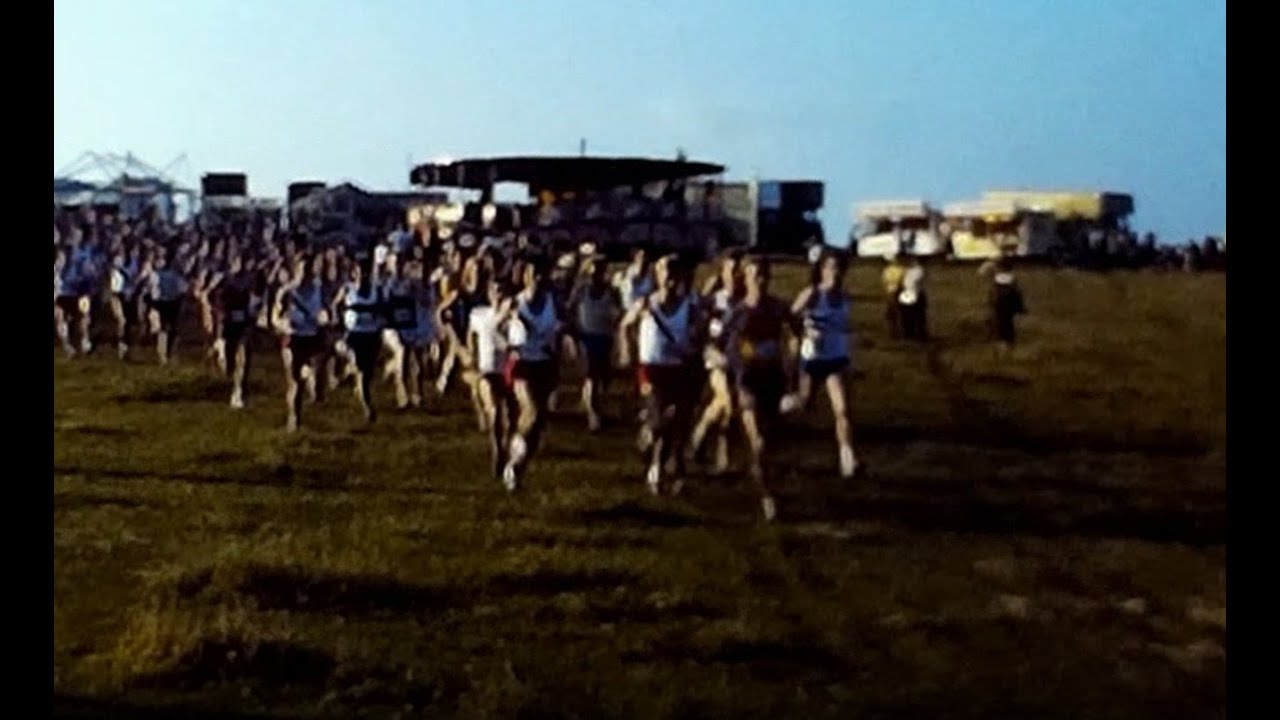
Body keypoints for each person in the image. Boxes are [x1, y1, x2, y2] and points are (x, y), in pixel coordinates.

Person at [618, 255, 702, 496]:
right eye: (665, 271)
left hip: (677, 369)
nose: (670, 278)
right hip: (651, 369)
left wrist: (695, 345)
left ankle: (656, 467)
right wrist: (626, 350)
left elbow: (701, 334)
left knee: (673, 419)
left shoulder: (689, 307)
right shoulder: (645, 304)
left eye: (674, 272)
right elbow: (624, 325)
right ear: (657, 275)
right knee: (660, 418)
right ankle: (649, 434)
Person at [726, 255, 799, 521]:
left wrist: (794, 351)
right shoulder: (737, 313)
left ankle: (762, 473)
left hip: (774, 379)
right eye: (755, 275)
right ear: (745, 279)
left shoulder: (778, 308)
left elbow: (796, 330)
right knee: (758, 438)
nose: (760, 280)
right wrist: (738, 378)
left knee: (771, 440)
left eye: (764, 275)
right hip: (747, 381)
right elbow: (728, 346)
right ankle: (768, 497)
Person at [779, 249, 860, 479]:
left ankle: (847, 459)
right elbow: (789, 317)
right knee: (804, 403)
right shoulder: (812, 294)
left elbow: (843, 326)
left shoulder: (844, 297)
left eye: (837, 268)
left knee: (842, 410)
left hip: (836, 360)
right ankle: (779, 406)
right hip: (813, 359)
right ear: (821, 270)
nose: (833, 273)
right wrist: (804, 332)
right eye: (829, 267)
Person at [499, 256, 562, 491]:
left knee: (537, 423)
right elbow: (496, 326)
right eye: (532, 274)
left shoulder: (552, 301)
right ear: (524, 277)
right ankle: (515, 456)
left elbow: (562, 325)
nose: (536, 278)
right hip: (522, 363)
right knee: (531, 411)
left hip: (545, 363)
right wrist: (508, 343)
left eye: (540, 274)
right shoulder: (514, 303)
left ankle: (517, 462)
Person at [687, 249, 744, 475]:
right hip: (715, 357)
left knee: (721, 404)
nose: (737, 274)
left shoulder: (746, 299)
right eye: (732, 268)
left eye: (740, 269)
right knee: (729, 402)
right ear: (724, 271)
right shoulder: (714, 298)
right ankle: (723, 454)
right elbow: (700, 325)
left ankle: (701, 431)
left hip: (738, 359)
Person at [273, 257, 329, 431]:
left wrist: (325, 317)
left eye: (309, 270)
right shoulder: (287, 292)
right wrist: (283, 324)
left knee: (316, 374)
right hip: (293, 338)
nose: (305, 275)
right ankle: (294, 418)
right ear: (295, 271)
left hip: (312, 336)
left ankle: (310, 380)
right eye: (302, 270)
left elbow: (326, 311)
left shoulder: (319, 289)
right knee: (295, 382)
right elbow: (274, 317)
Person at [567, 255, 620, 432]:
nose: (596, 272)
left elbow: (618, 312)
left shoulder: (611, 291)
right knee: (591, 376)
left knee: (602, 379)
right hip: (586, 336)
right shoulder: (581, 290)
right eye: (593, 268)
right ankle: (593, 415)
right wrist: (573, 334)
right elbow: (570, 310)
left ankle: (591, 404)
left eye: (600, 268)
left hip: (604, 337)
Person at [467, 277, 512, 478]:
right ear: (488, 293)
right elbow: (471, 335)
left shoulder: (511, 316)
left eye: (501, 291)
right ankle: (497, 450)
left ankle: (505, 446)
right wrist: (472, 357)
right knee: (494, 411)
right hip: (487, 369)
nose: (498, 295)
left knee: (510, 417)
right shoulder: (478, 314)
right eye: (494, 291)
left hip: (508, 370)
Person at [336, 258, 386, 424]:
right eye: (358, 272)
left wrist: (380, 319)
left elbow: (383, 308)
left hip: (371, 334)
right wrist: (338, 320)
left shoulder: (375, 290)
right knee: (362, 371)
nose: (362, 276)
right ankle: (367, 407)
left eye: (365, 272)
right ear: (353, 273)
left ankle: (350, 377)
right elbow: (335, 305)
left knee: (368, 372)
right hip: (354, 334)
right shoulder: (347, 289)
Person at [216, 254, 259, 409]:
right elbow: (215, 299)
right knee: (230, 362)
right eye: (236, 262)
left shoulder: (249, 280)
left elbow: (255, 298)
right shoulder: (224, 280)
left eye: (241, 262)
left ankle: (238, 391)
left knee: (244, 357)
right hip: (229, 324)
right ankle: (226, 362)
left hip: (244, 324)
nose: (239, 265)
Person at [145, 251, 188, 365]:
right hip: (161, 303)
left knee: (173, 329)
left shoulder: (174, 274)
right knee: (164, 329)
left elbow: (182, 288)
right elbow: (151, 288)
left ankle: (169, 353)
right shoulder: (156, 274)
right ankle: (163, 354)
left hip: (172, 302)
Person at [989, 259, 1026, 354]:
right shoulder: (1012, 279)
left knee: (1000, 327)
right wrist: (1020, 308)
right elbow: (1017, 294)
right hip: (1008, 307)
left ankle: (1001, 348)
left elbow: (993, 294)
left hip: (999, 307)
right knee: (1008, 327)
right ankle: (1008, 347)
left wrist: (991, 304)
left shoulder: (997, 279)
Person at [899, 256, 927, 341]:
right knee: (912, 315)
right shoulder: (912, 270)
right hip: (912, 293)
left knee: (911, 315)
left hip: (912, 293)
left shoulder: (915, 270)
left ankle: (912, 333)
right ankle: (912, 333)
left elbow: (910, 282)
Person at [881, 253, 905, 339]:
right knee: (898, 312)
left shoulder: (887, 270)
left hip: (891, 292)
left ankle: (893, 331)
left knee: (891, 313)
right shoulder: (902, 269)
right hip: (898, 291)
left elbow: (885, 282)